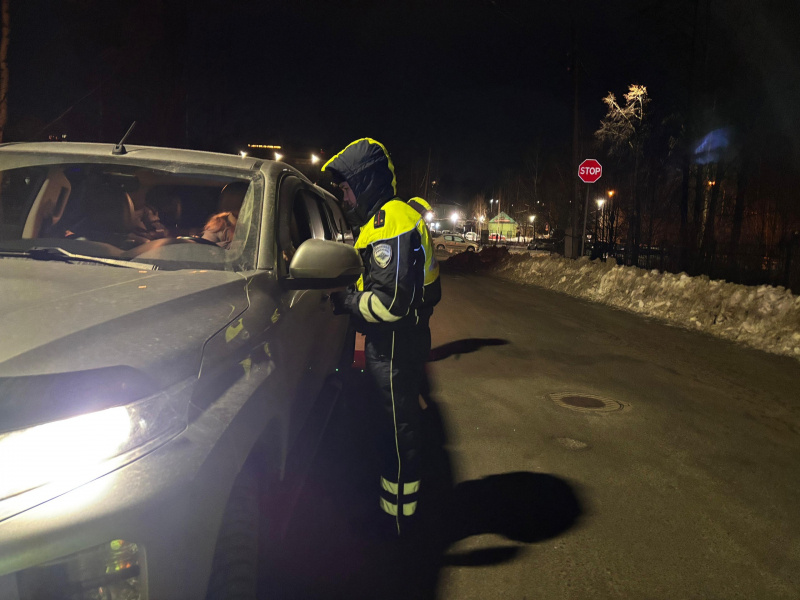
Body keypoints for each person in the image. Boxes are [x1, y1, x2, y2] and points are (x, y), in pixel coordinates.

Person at [323, 138, 440, 539]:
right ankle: (397, 512)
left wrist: (346, 302)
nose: (344, 194)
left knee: (397, 430)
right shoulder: (385, 219)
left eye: (347, 186)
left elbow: (390, 304)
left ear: (365, 180)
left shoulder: (390, 220)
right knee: (395, 425)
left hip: (394, 344)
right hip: (396, 343)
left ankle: (398, 522)